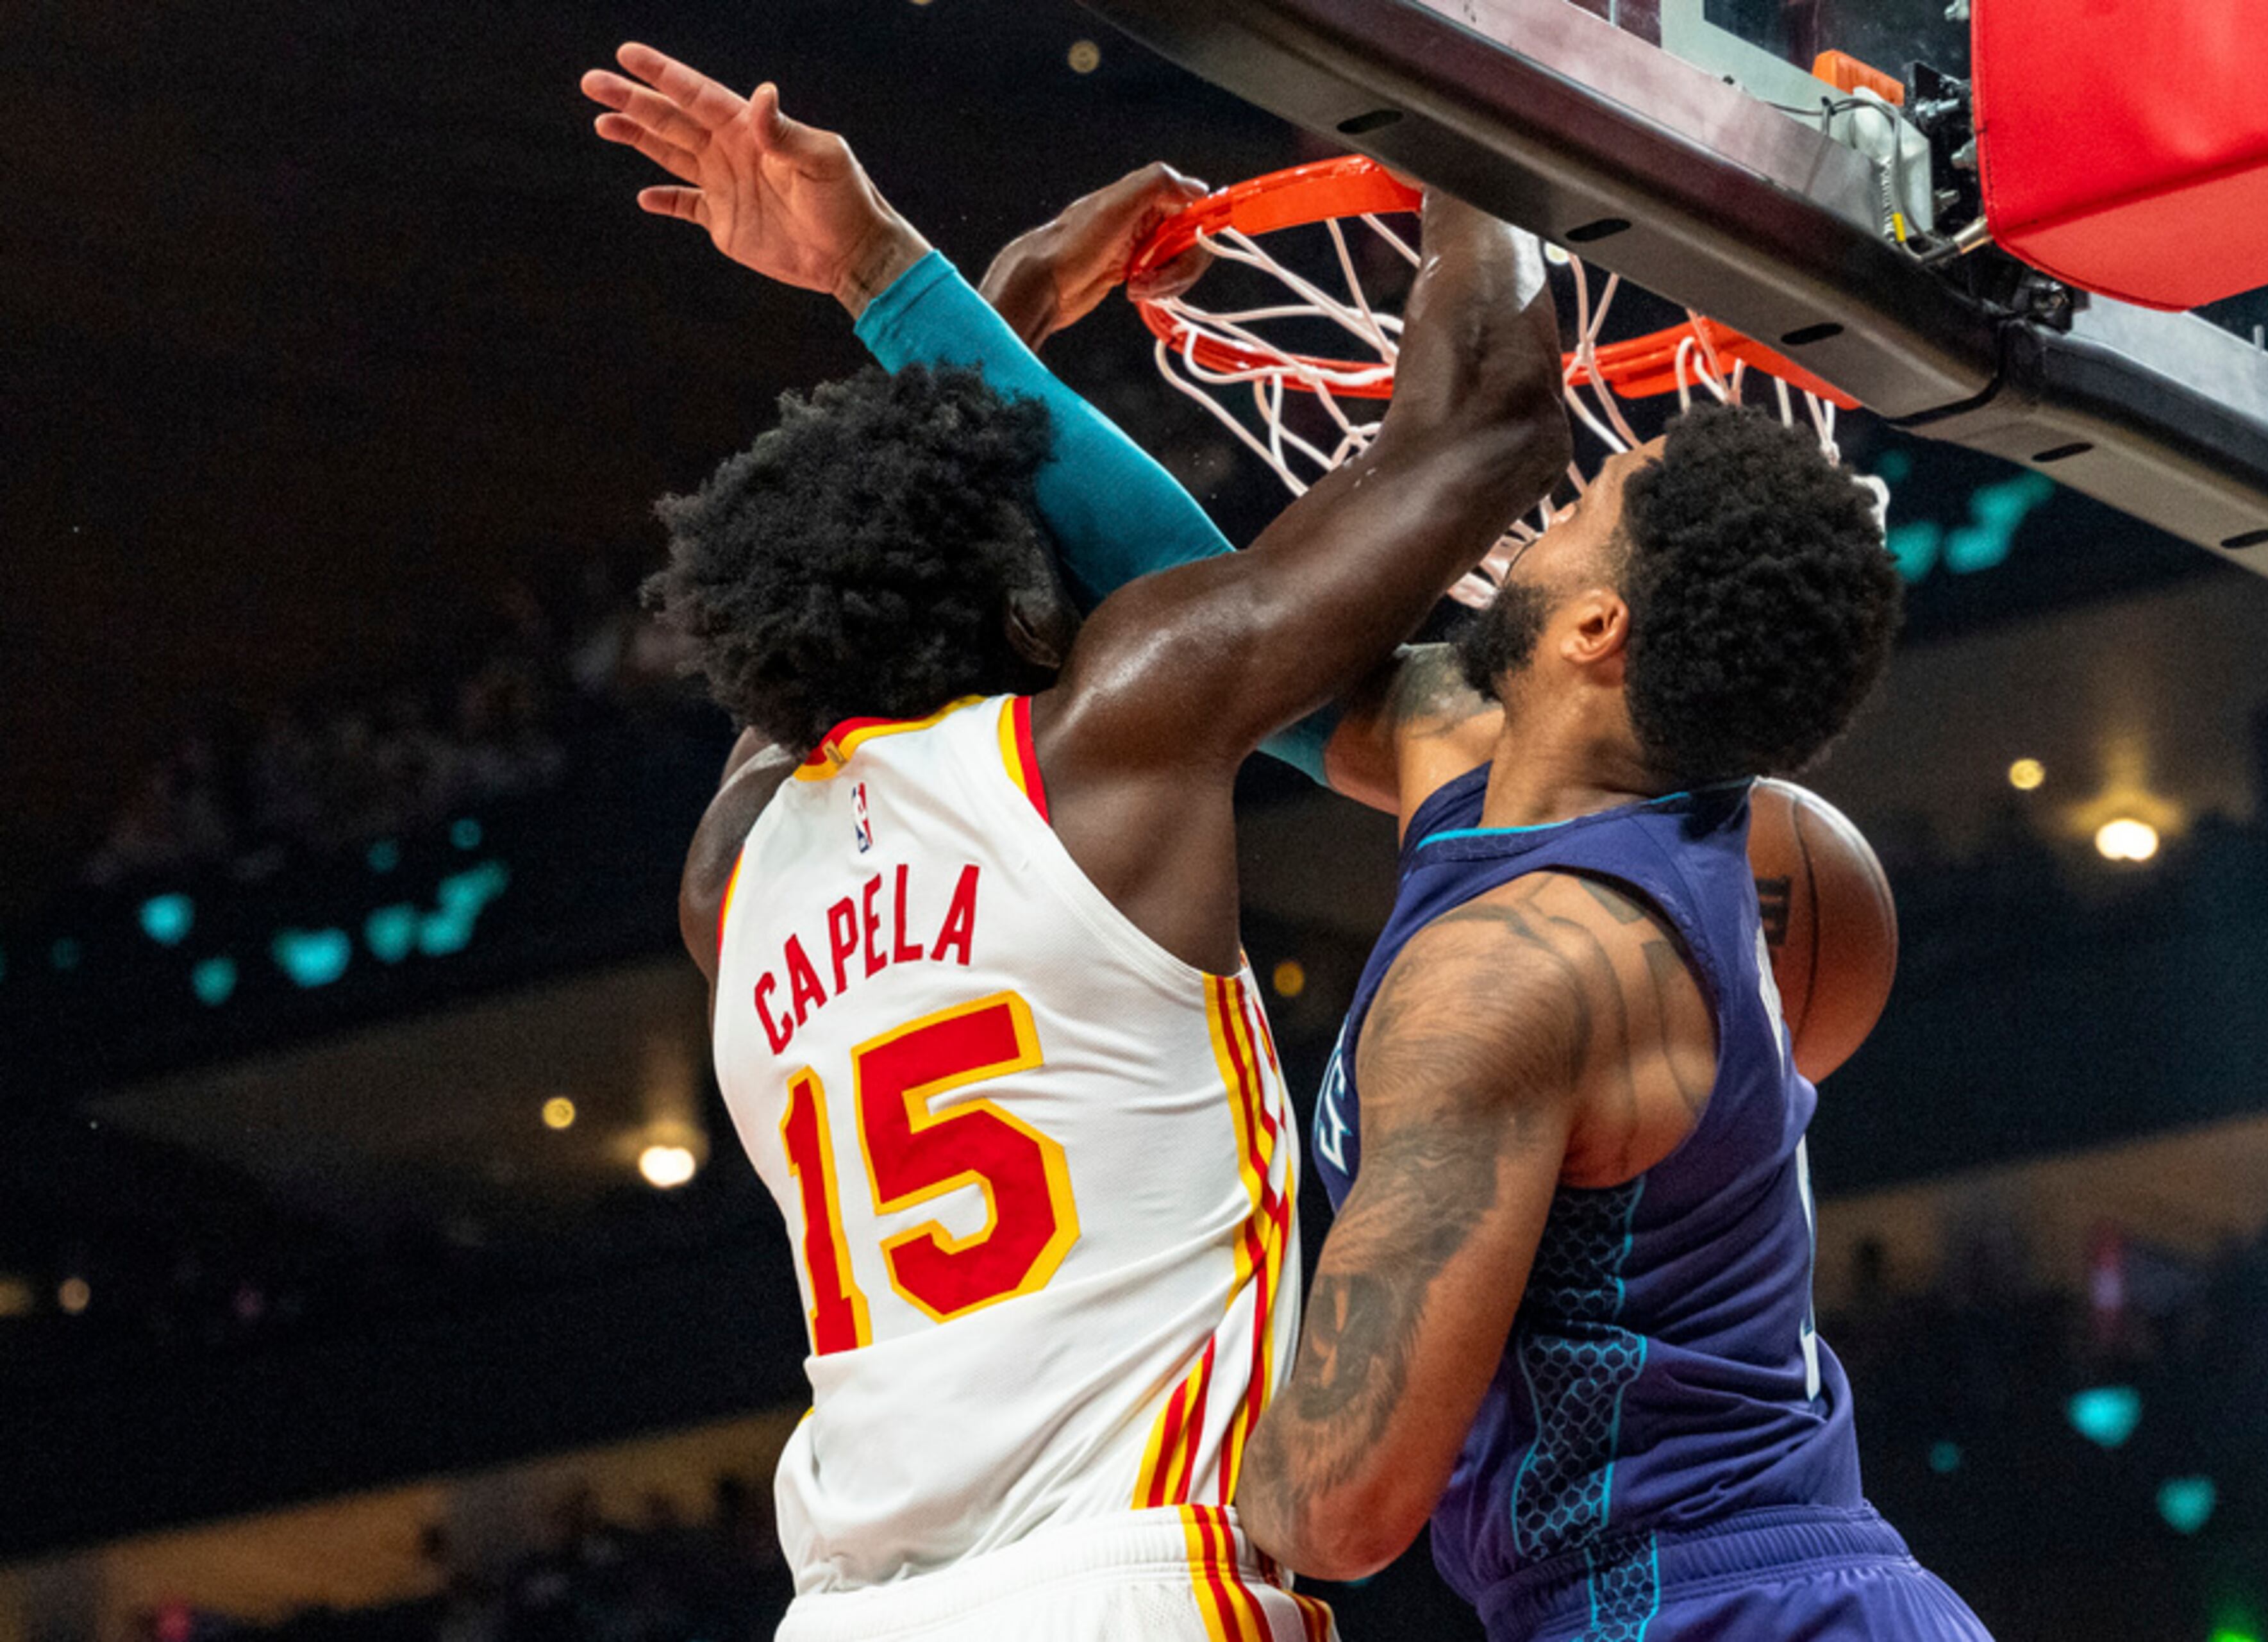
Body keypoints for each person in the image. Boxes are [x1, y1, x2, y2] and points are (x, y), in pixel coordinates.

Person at [861, 167, 1983, 1636]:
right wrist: (896, 287)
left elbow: (1337, 1505)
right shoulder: (1507, 766)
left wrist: (1062, 1498)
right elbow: (1209, 608)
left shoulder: (1516, 977)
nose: (1555, 515)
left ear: (1595, 629)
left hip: (1715, 1611)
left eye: (1584, 509)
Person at [581, 41, 1570, 1642]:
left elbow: (844, 579)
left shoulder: (732, 873)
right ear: (1036, 602)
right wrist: (1478, 84)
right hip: (1118, 1581)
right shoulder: (1099, 749)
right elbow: (1489, 428)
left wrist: (962, 308)